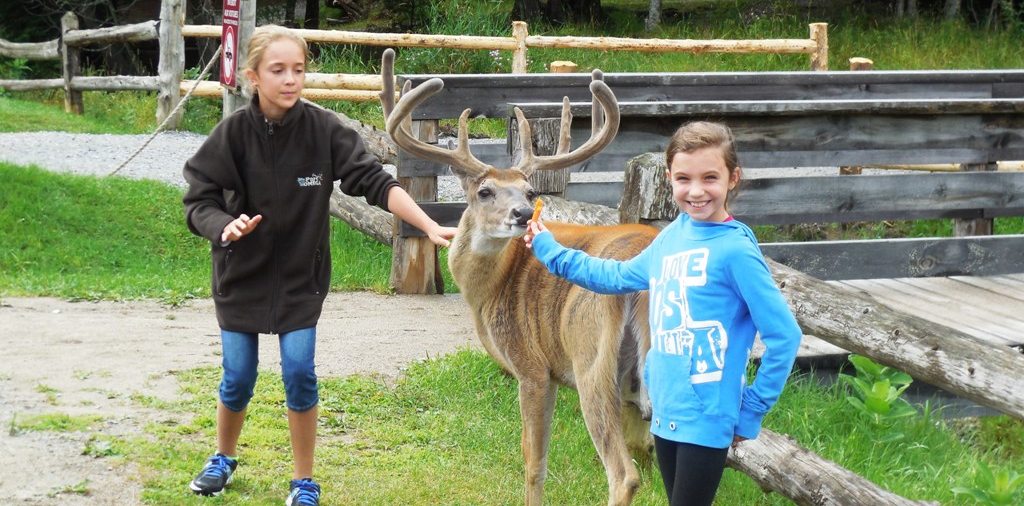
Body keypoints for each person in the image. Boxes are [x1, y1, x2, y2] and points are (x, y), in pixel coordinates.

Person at [182, 25, 457, 506]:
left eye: (299, 69)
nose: (291, 79)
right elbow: (198, 200)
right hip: (239, 279)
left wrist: (428, 225)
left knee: (299, 374)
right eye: (278, 70)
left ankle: (304, 481)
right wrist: (224, 226)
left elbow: (376, 182)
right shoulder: (232, 135)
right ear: (252, 76)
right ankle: (222, 458)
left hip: (300, 282)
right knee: (238, 377)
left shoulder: (324, 130)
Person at [524, 121, 801, 506]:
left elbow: (785, 336)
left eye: (710, 177)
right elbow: (616, 276)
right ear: (669, 179)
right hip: (666, 409)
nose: (696, 191)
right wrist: (550, 249)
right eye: (684, 178)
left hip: (707, 417)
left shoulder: (736, 251)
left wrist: (752, 409)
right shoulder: (672, 237)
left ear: (733, 178)